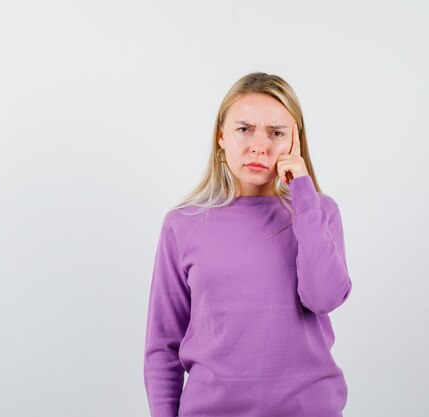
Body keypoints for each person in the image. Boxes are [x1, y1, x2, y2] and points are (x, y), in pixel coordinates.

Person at [143, 72, 353, 417]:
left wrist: (303, 193)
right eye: (244, 129)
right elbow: (163, 345)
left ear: (294, 142)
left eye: (276, 132)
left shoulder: (319, 211)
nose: (260, 145)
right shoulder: (183, 224)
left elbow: (324, 297)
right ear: (221, 137)